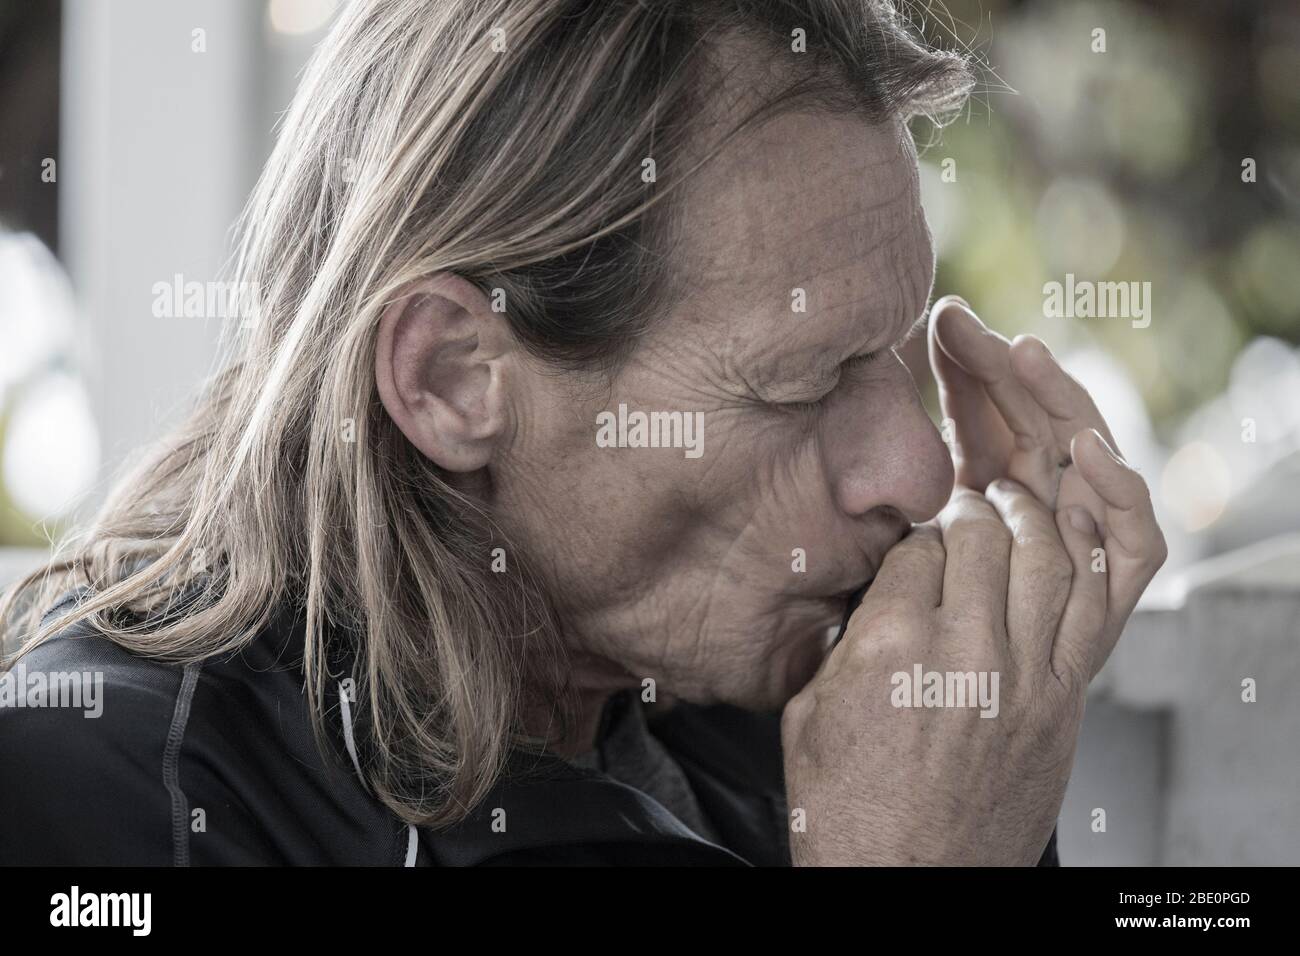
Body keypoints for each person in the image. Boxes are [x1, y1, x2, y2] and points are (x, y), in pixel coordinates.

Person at [0, 0, 1165, 866]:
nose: (918, 473)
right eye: (805, 386)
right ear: (453, 379)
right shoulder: (109, 801)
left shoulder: (787, 690)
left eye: (903, 351)